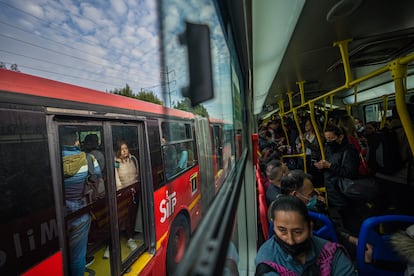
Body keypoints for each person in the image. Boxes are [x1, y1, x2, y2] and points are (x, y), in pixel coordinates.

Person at [255, 196, 356, 276]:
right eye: (282, 231)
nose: (290, 240)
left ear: (310, 228)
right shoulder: (267, 262)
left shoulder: (331, 253)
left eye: (297, 232)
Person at [61, 129, 102, 275]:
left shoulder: (52, 159)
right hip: (80, 213)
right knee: (77, 256)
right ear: (76, 142)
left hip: (59, 215)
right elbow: (97, 176)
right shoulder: (89, 159)